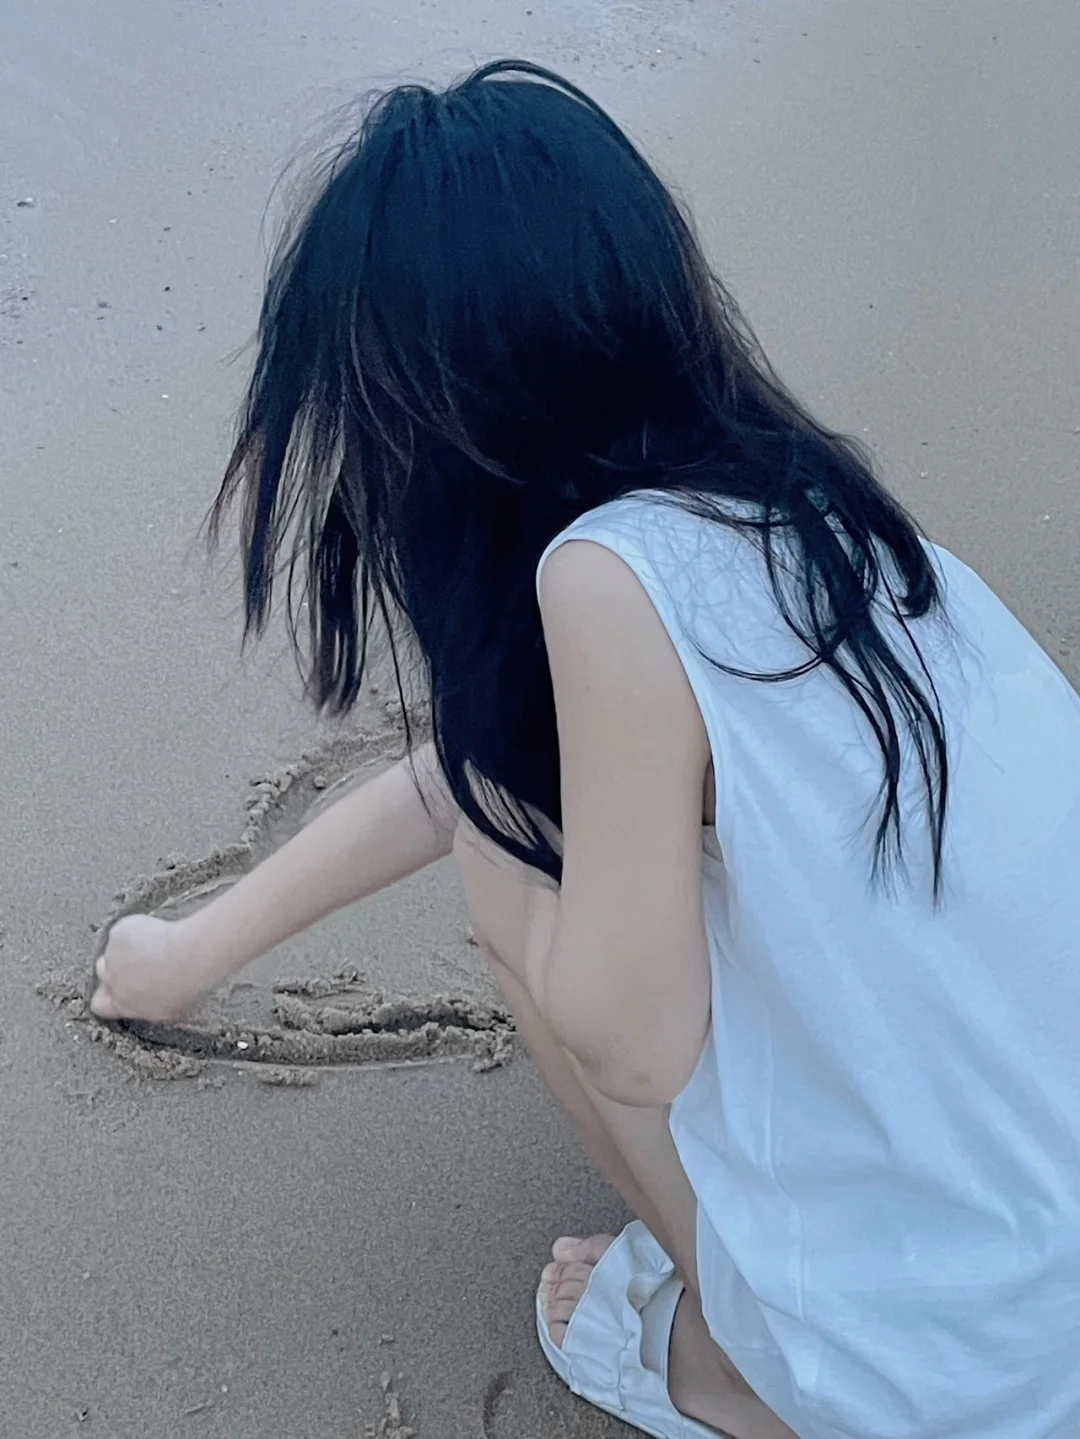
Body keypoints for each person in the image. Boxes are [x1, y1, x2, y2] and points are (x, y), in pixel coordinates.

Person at [90, 61, 1080, 1439]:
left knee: (518, 868)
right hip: (1050, 1257)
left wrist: (546, 861)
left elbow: (629, 1036)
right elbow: (472, 771)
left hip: (973, 1378)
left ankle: (747, 1365)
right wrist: (193, 951)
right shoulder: (808, 515)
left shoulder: (605, 576)